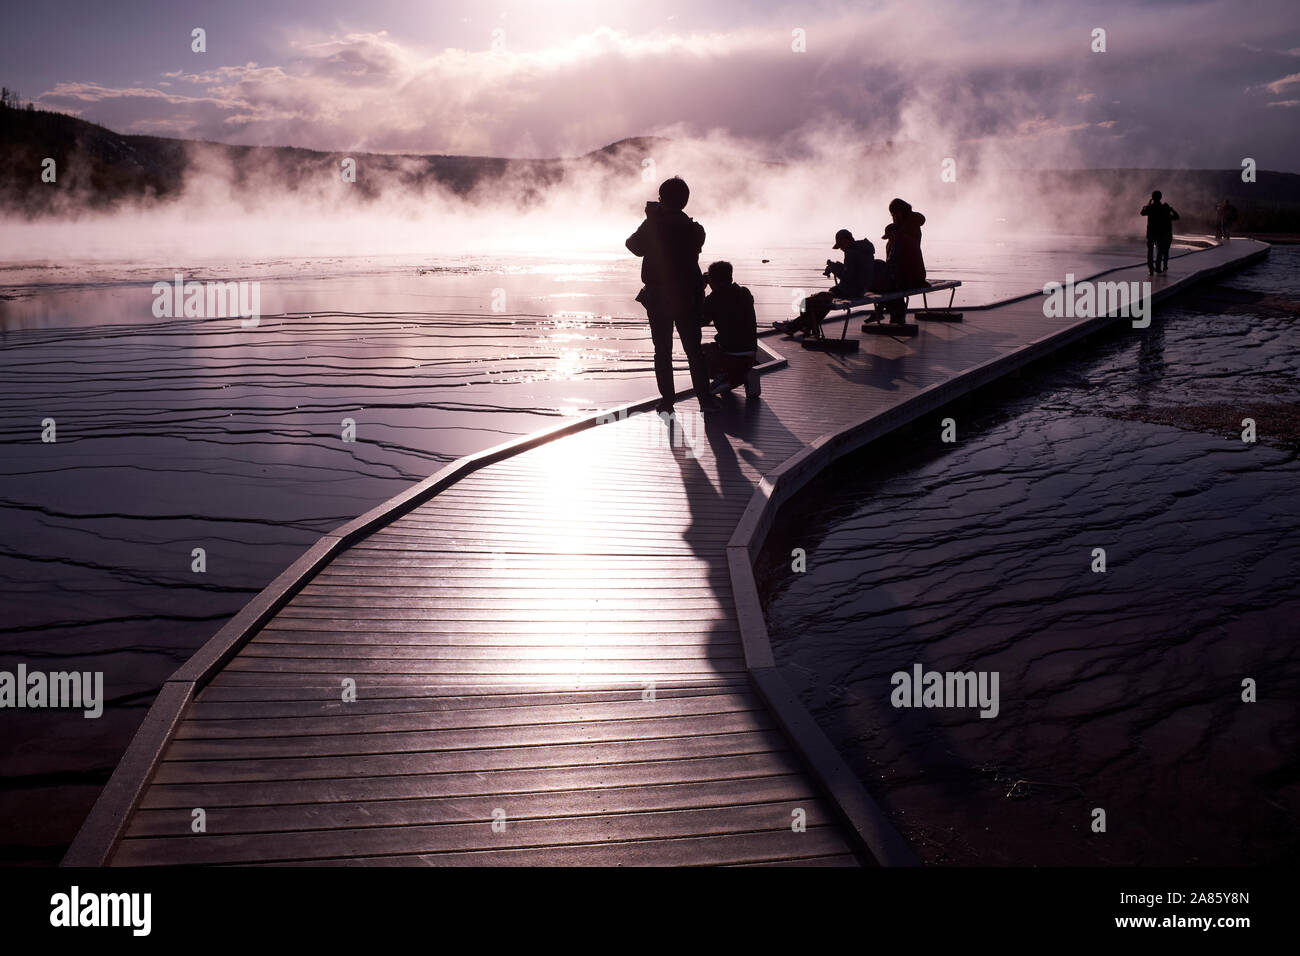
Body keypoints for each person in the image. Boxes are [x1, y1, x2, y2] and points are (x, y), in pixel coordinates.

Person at [625, 176, 719, 414]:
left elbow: (633, 246)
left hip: (659, 297)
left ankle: (667, 402)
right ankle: (705, 401)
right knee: (694, 351)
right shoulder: (696, 229)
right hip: (688, 296)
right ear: (685, 201)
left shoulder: (654, 225)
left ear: (662, 199)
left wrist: (652, 219)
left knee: (663, 351)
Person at [773, 228, 875, 338]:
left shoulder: (851, 252)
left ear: (845, 240)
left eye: (840, 245)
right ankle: (805, 326)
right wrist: (838, 266)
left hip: (851, 290)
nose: (841, 248)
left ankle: (795, 327)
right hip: (861, 288)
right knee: (825, 299)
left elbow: (847, 277)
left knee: (806, 302)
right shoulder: (863, 249)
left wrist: (835, 268)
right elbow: (855, 271)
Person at [700, 261, 760, 398]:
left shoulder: (713, 299)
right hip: (751, 354)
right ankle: (745, 375)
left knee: (699, 352)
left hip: (730, 355)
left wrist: (700, 290)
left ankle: (723, 377)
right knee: (731, 351)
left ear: (712, 280)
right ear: (731, 277)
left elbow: (700, 321)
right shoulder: (745, 292)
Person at [868, 198, 929, 324]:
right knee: (885, 280)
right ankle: (891, 313)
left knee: (880, 284)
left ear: (900, 212)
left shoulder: (904, 231)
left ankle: (894, 312)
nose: (893, 217)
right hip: (911, 274)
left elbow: (899, 257)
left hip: (909, 275)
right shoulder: (904, 228)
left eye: (894, 214)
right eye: (892, 215)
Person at [1141, 190, 1180, 275]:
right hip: (1160, 232)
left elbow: (1142, 213)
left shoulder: (1150, 207)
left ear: (1152, 197)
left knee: (1150, 251)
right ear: (1160, 197)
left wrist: (1147, 205)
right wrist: (1170, 209)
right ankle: (1158, 267)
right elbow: (1176, 217)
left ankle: (1151, 269)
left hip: (1151, 232)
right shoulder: (1163, 207)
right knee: (1159, 251)